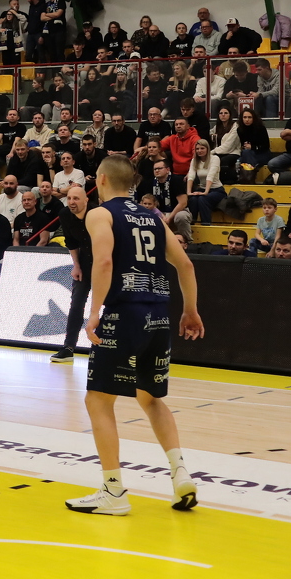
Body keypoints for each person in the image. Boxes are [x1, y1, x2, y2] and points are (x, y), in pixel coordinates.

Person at [66, 155, 202, 516]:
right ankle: (180, 474)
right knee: (151, 398)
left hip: (124, 314)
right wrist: (190, 310)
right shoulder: (154, 217)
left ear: (101, 180)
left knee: (98, 400)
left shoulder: (100, 214)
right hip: (158, 315)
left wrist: (94, 312)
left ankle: (113, 491)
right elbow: (185, 264)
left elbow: (104, 261)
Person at [50, 184, 94, 363]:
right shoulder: (65, 214)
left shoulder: (97, 214)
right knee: (76, 305)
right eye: (69, 198)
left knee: (109, 306)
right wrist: (76, 265)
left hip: (104, 262)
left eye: (76, 198)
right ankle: (68, 347)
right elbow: (71, 242)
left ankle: (108, 348)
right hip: (84, 260)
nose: (71, 202)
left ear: (86, 200)